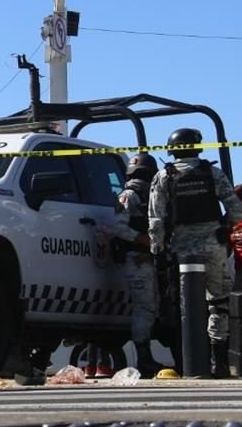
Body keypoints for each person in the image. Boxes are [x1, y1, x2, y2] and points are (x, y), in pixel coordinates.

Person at [148, 128, 242, 377]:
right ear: (196, 147)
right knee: (218, 301)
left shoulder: (163, 177)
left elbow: (156, 220)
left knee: (186, 305)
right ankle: (219, 361)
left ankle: (190, 362)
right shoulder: (212, 173)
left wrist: (157, 250)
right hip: (213, 244)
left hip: (181, 249)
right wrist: (225, 227)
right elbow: (236, 208)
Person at [110, 152, 163, 377]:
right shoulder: (130, 195)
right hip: (137, 258)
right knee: (144, 308)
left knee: (152, 307)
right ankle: (143, 358)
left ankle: (146, 355)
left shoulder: (149, 194)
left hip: (149, 258)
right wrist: (141, 240)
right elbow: (117, 226)